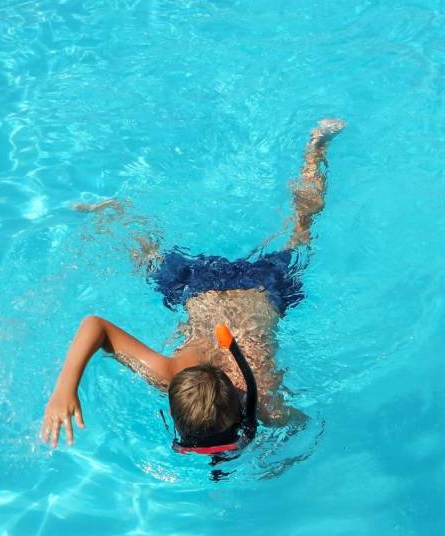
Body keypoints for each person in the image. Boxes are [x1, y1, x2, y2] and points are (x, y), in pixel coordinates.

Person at [40, 119, 345, 454]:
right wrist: (65, 389)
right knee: (149, 256)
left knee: (301, 234)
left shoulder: (266, 406)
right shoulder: (170, 374)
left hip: (257, 291)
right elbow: (94, 327)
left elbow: (301, 424)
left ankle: (316, 149)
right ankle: (118, 214)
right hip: (203, 288)